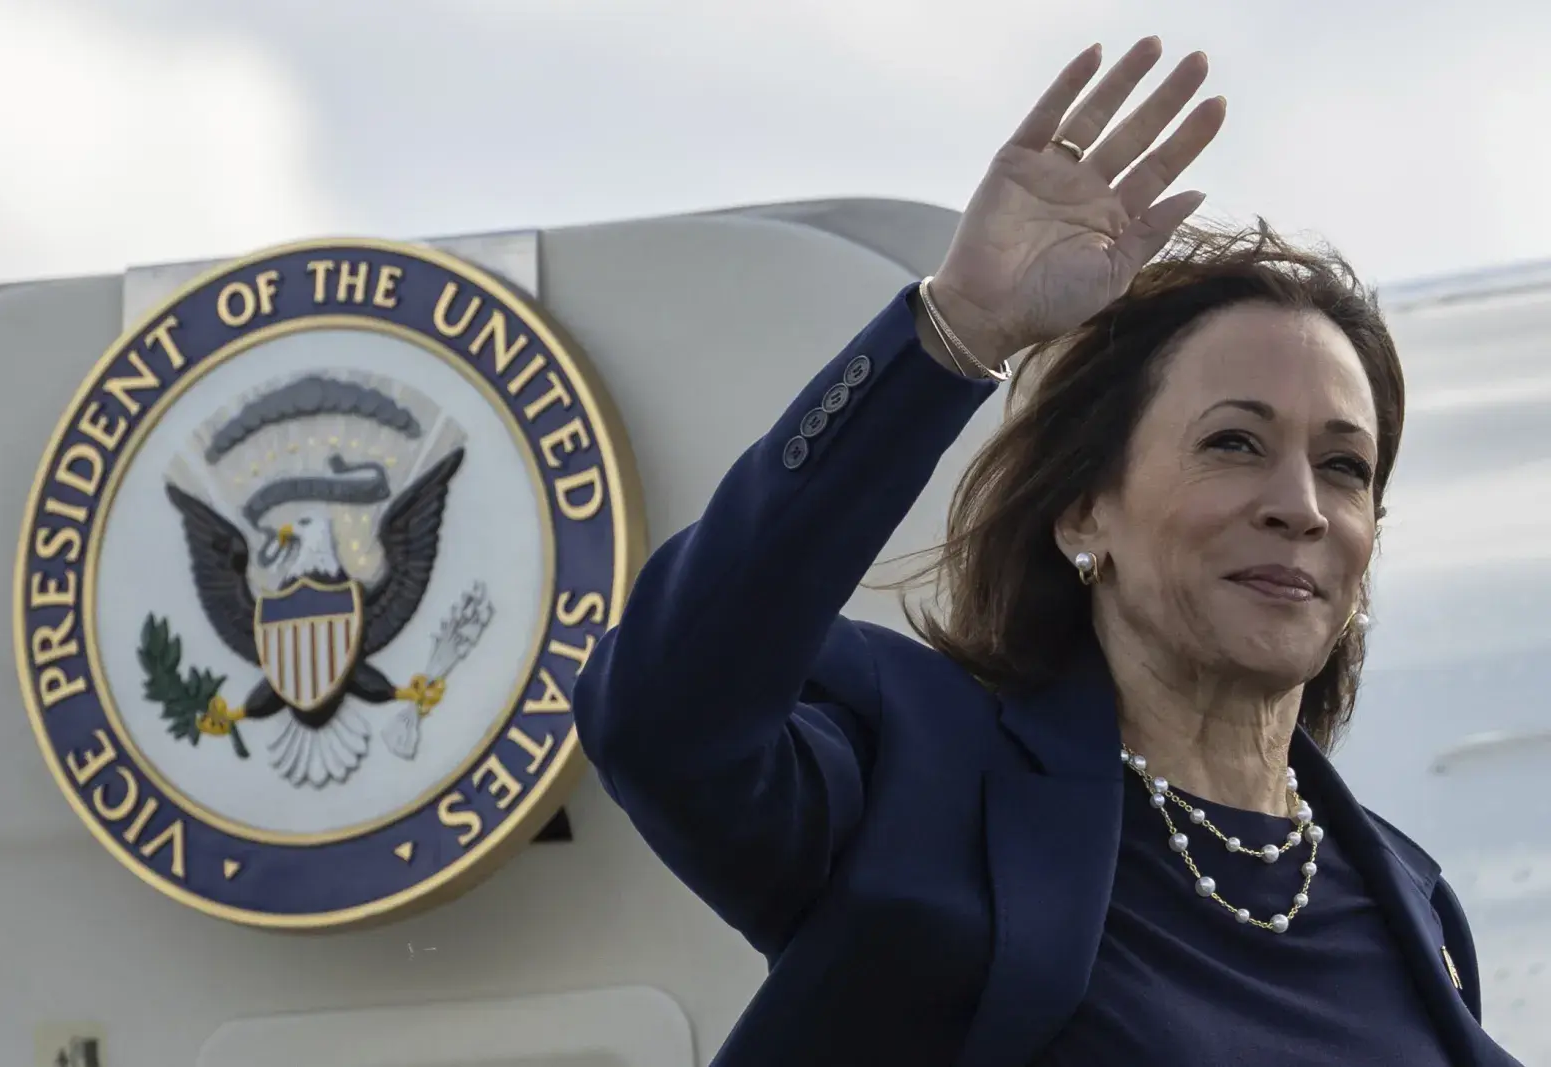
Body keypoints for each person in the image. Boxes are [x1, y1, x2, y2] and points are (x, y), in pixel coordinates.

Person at [572, 36, 1523, 1067]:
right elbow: (668, 714)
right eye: (1233, 443)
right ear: (1082, 512)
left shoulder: (1409, 902)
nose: (1297, 504)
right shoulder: (922, 774)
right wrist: (955, 331)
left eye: (1344, 467)